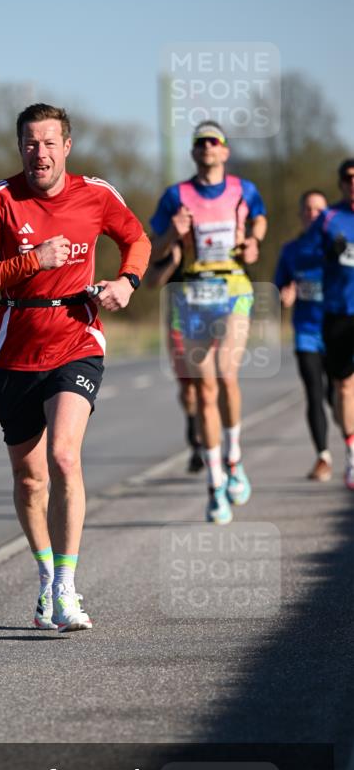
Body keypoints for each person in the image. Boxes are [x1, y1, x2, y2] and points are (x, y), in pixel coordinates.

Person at [0, 103, 151, 630]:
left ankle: (67, 586)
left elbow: (137, 239)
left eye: (48, 143)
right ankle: (46, 576)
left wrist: (126, 282)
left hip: (76, 336)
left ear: (66, 146)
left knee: (65, 457)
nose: (38, 153)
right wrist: (31, 261)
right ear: (19, 146)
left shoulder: (96, 193)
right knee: (29, 480)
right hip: (15, 348)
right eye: (30, 143)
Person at [150, 120, 267, 524]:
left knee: (227, 376)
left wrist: (253, 243)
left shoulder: (243, 189)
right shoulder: (176, 195)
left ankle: (234, 457)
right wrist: (173, 232)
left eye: (213, 141)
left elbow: (259, 221)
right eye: (199, 142)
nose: (206, 147)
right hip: (192, 296)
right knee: (203, 390)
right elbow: (156, 247)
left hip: (233, 289)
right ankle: (216, 483)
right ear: (193, 152)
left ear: (225, 151)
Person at [274, 190, 332, 480]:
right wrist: (285, 295)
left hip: (339, 330)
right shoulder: (291, 250)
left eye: (318, 209)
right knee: (314, 393)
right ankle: (322, 456)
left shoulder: (339, 245)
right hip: (307, 331)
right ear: (300, 215)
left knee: (338, 394)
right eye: (307, 209)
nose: (312, 214)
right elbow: (278, 289)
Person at [306, 159, 354, 489]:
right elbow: (304, 258)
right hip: (338, 314)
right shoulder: (328, 219)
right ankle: (352, 456)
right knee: (343, 387)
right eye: (349, 178)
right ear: (341, 183)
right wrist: (328, 253)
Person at [145, 244, 204, 473]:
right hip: (179, 325)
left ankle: (213, 442)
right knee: (189, 389)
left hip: (211, 322)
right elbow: (150, 282)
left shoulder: (210, 235)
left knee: (209, 385)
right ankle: (196, 444)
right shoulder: (169, 243)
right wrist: (172, 263)